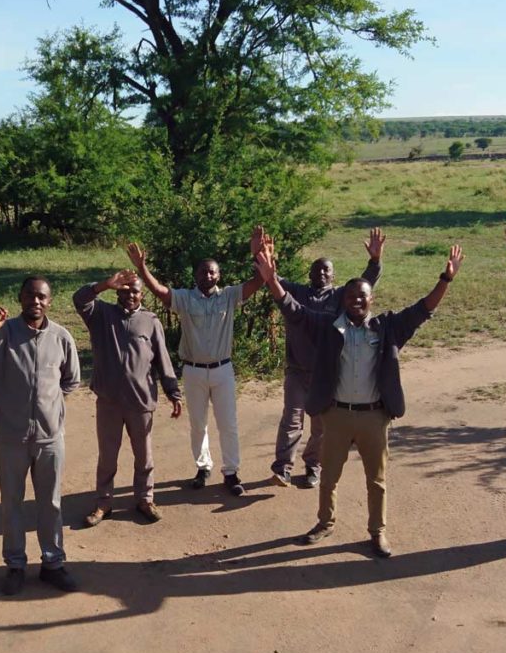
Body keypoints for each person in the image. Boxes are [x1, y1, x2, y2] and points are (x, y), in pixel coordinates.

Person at [256, 242, 463, 558]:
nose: (356, 300)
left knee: (376, 481)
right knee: (328, 478)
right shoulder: (327, 328)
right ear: (343, 300)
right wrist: (272, 280)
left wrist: (445, 280)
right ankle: (325, 523)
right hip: (336, 416)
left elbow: (423, 310)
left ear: (371, 300)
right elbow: (293, 311)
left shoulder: (388, 328)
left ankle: (377, 533)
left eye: (362, 296)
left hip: (374, 418)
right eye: (351, 296)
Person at [0, 276, 81, 595]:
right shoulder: (1, 334)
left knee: (51, 503)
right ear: (20, 298)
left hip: (50, 439)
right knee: (12, 504)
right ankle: (15, 565)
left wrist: (49, 408)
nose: (36, 301)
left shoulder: (61, 337)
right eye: (30, 296)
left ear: (50, 301)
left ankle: (53, 563)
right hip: (11, 438)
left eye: (42, 297)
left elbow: (71, 381)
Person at [126, 229, 265, 496]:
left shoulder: (229, 296)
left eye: (212, 272)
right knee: (198, 423)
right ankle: (203, 467)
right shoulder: (185, 299)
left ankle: (231, 472)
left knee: (228, 423)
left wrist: (258, 254)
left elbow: (258, 281)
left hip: (223, 369)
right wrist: (142, 268)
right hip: (193, 371)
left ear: (219, 275)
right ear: (196, 276)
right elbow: (159, 291)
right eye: (203, 272)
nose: (208, 276)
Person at [270, 228, 385, 488]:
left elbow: (364, 285)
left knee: (321, 426)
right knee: (292, 419)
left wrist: (375, 261)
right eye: (317, 269)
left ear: (334, 276)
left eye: (327, 270)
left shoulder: (340, 297)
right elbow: (272, 280)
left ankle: (313, 467)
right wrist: (262, 257)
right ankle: (282, 469)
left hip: (327, 372)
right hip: (297, 371)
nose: (321, 273)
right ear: (309, 273)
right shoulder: (298, 292)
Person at [72, 270, 183, 527]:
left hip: (140, 401)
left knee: (144, 455)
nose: (130, 294)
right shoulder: (100, 315)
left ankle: (145, 499)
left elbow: (163, 361)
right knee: (107, 455)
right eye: (124, 289)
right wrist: (102, 285)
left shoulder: (150, 321)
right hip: (109, 400)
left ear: (142, 294)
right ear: (117, 291)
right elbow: (80, 299)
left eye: (135, 290)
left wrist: (173, 393)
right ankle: (103, 502)